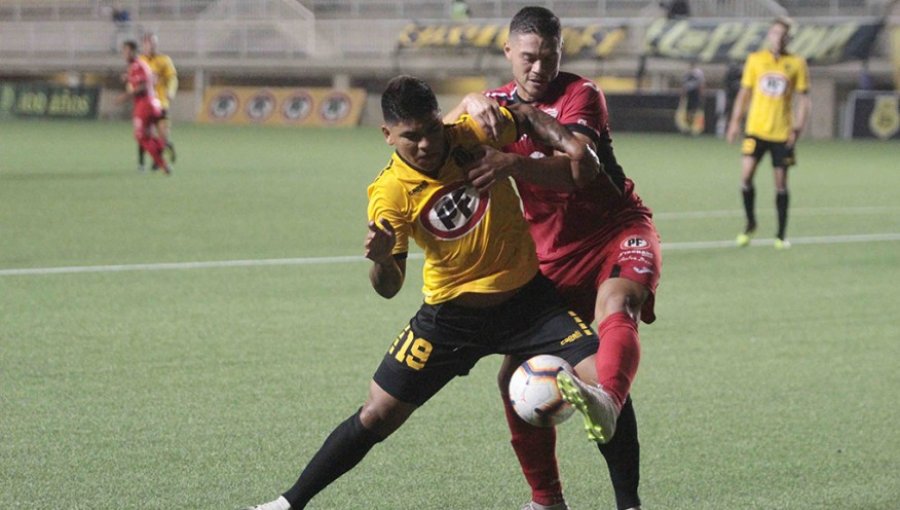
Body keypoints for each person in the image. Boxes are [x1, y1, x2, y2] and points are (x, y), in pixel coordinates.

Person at [242, 75, 617, 510]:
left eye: (431, 130)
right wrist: (383, 259)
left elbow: (529, 117)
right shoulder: (389, 193)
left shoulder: (471, 133)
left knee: (605, 384)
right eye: (410, 137)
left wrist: (571, 144)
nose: (425, 145)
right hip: (450, 316)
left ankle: (627, 501)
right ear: (387, 136)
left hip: (528, 302)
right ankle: (288, 504)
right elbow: (389, 288)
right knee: (377, 414)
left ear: (442, 120)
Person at [443, 7, 661, 510]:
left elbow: (579, 169)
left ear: (560, 55)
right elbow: (442, 138)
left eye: (548, 57)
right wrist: (469, 101)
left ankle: (626, 496)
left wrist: (512, 163)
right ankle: (547, 501)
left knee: (616, 311)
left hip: (616, 229)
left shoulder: (582, 94)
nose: (538, 69)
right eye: (527, 58)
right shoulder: (492, 108)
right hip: (553, 258)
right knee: (511, 378)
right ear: (508, 54)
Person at [726, 17, 810, 249]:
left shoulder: (797, 63)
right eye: (774, 33)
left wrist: (798, 128)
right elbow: (744, 94)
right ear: (769, 35)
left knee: (781, 183)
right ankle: (750, 222)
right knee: (745, 177)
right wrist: (734, 122)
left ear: (788, 38)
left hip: (782, 133)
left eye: (782, 34)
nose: (778, 38)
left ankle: (781, 235)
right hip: (755, 130)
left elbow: (804, 100)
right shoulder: (755, 60)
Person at [117, 40, 171, 175]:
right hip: (152, 103)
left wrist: (125, 96)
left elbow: (142, 86)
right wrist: (128, 78)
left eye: (126, 51)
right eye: (123, 51)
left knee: (141, 136)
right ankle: (163, 147)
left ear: (133, 52)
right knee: (145, 136)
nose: (124, 54)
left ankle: (163, 158)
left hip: (145, 105)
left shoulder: (137, 65)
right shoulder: (137, 66)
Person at [139, 33, 178, 172]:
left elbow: (172, 78)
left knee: (162, 133)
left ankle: (163, 150)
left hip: (161, 102)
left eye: (154, 43)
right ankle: (142, 163)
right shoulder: (140, 60)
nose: (151, 46)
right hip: (145, 103)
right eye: (149, 43)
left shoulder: (164, 60)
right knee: (144, 134)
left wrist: (171, 91)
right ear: (144, 45)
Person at [678, 59, 705, 135]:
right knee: (688, 111)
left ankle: (692, 126)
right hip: (689, 94)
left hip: (695, 94)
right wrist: (682, 95)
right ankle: (688, 127)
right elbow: (683, 86)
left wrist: (701, 94)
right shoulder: (686, 73)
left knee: (694, 111)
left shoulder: (698, 73)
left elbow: (701, 84)